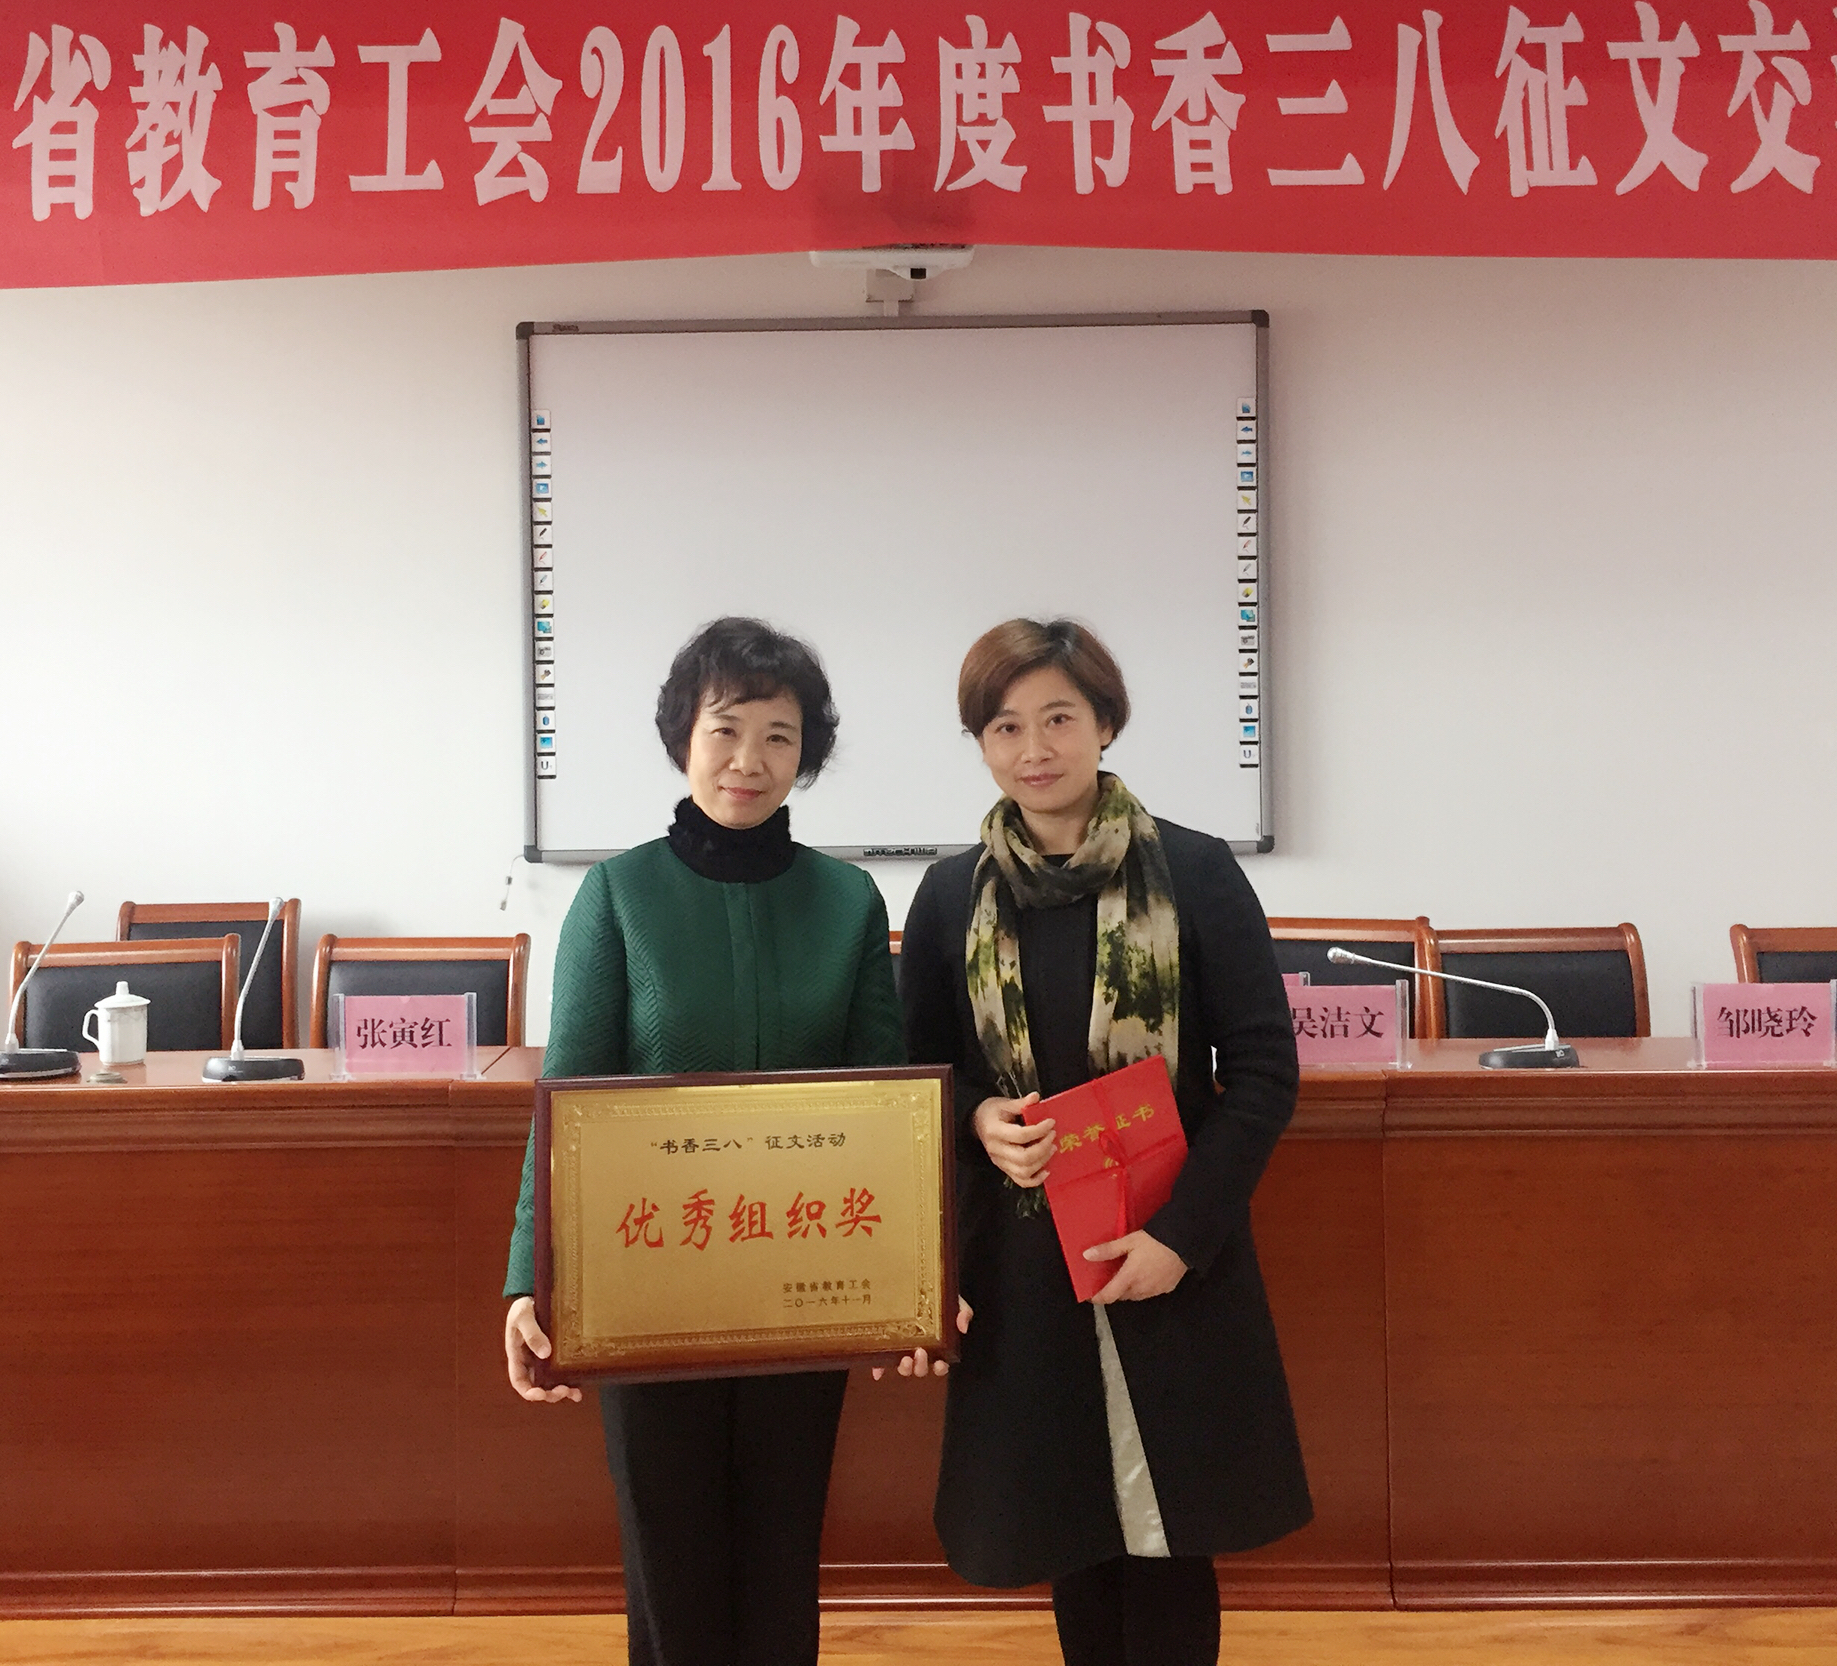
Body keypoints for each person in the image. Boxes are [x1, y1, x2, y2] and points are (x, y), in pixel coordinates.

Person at [899, 618, 1312, 1666]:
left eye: (1059, 718)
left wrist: (1182, 1237)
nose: (1034, 748)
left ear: (1105, 724)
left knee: (1172, 1534)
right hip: (1026, 1265)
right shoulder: (951, 897)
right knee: (1071, 1525)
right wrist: (977, 1119)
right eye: (1004, 726)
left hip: (1168, 1253)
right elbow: (922, 1079)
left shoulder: (1195, 872)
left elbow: (1264, 1071)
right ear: (979, 743)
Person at [503, 615, 903, 1666]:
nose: (748, 761)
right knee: (670, 1563)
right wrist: (529, 1277)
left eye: (779, 736)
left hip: (805, 1279)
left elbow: (885, 1106)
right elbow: (566, 1100)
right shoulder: (618, 895)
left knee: (781, 1556)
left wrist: (912, 1278)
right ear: (684, 735)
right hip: (648, 1281)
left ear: (806, 754)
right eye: (726, 729)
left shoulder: (848, 901)